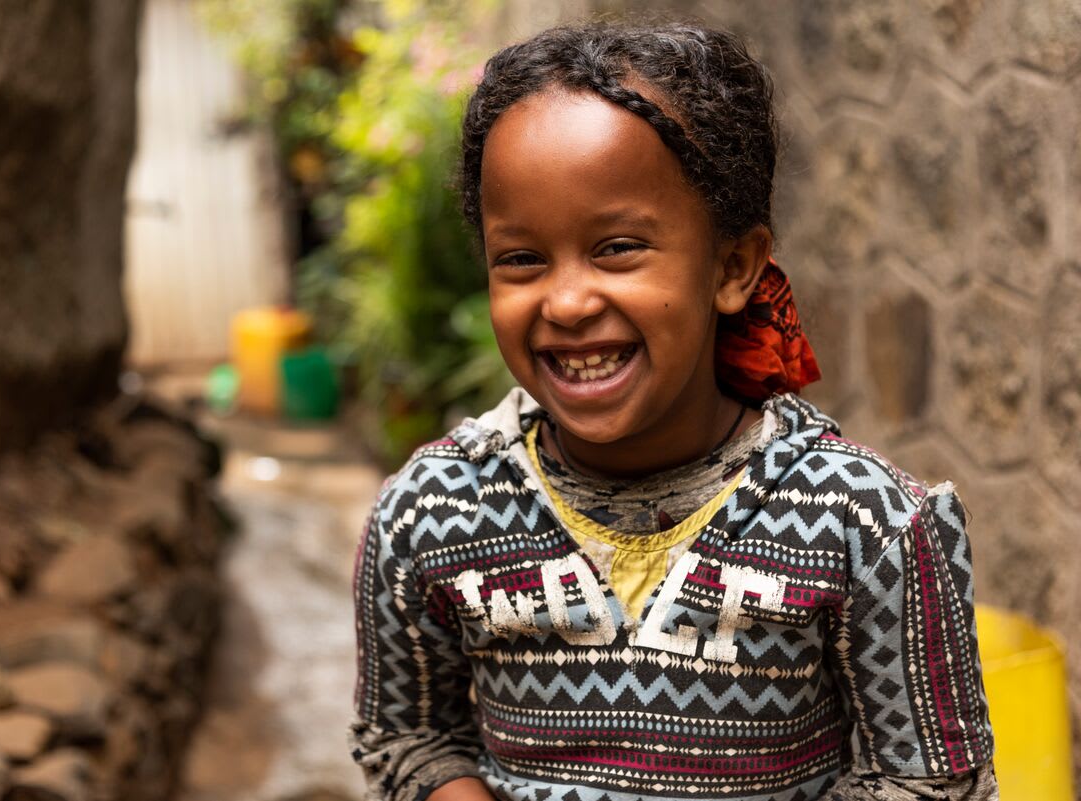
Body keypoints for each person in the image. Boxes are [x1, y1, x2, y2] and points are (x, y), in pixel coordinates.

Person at [350, 20, 997, 801]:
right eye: (520, 259)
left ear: (732, 268)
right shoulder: (431, 514)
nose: (567, 301)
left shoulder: (865, 526)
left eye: (617, 247)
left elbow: (929, 776)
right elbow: (405, 734)